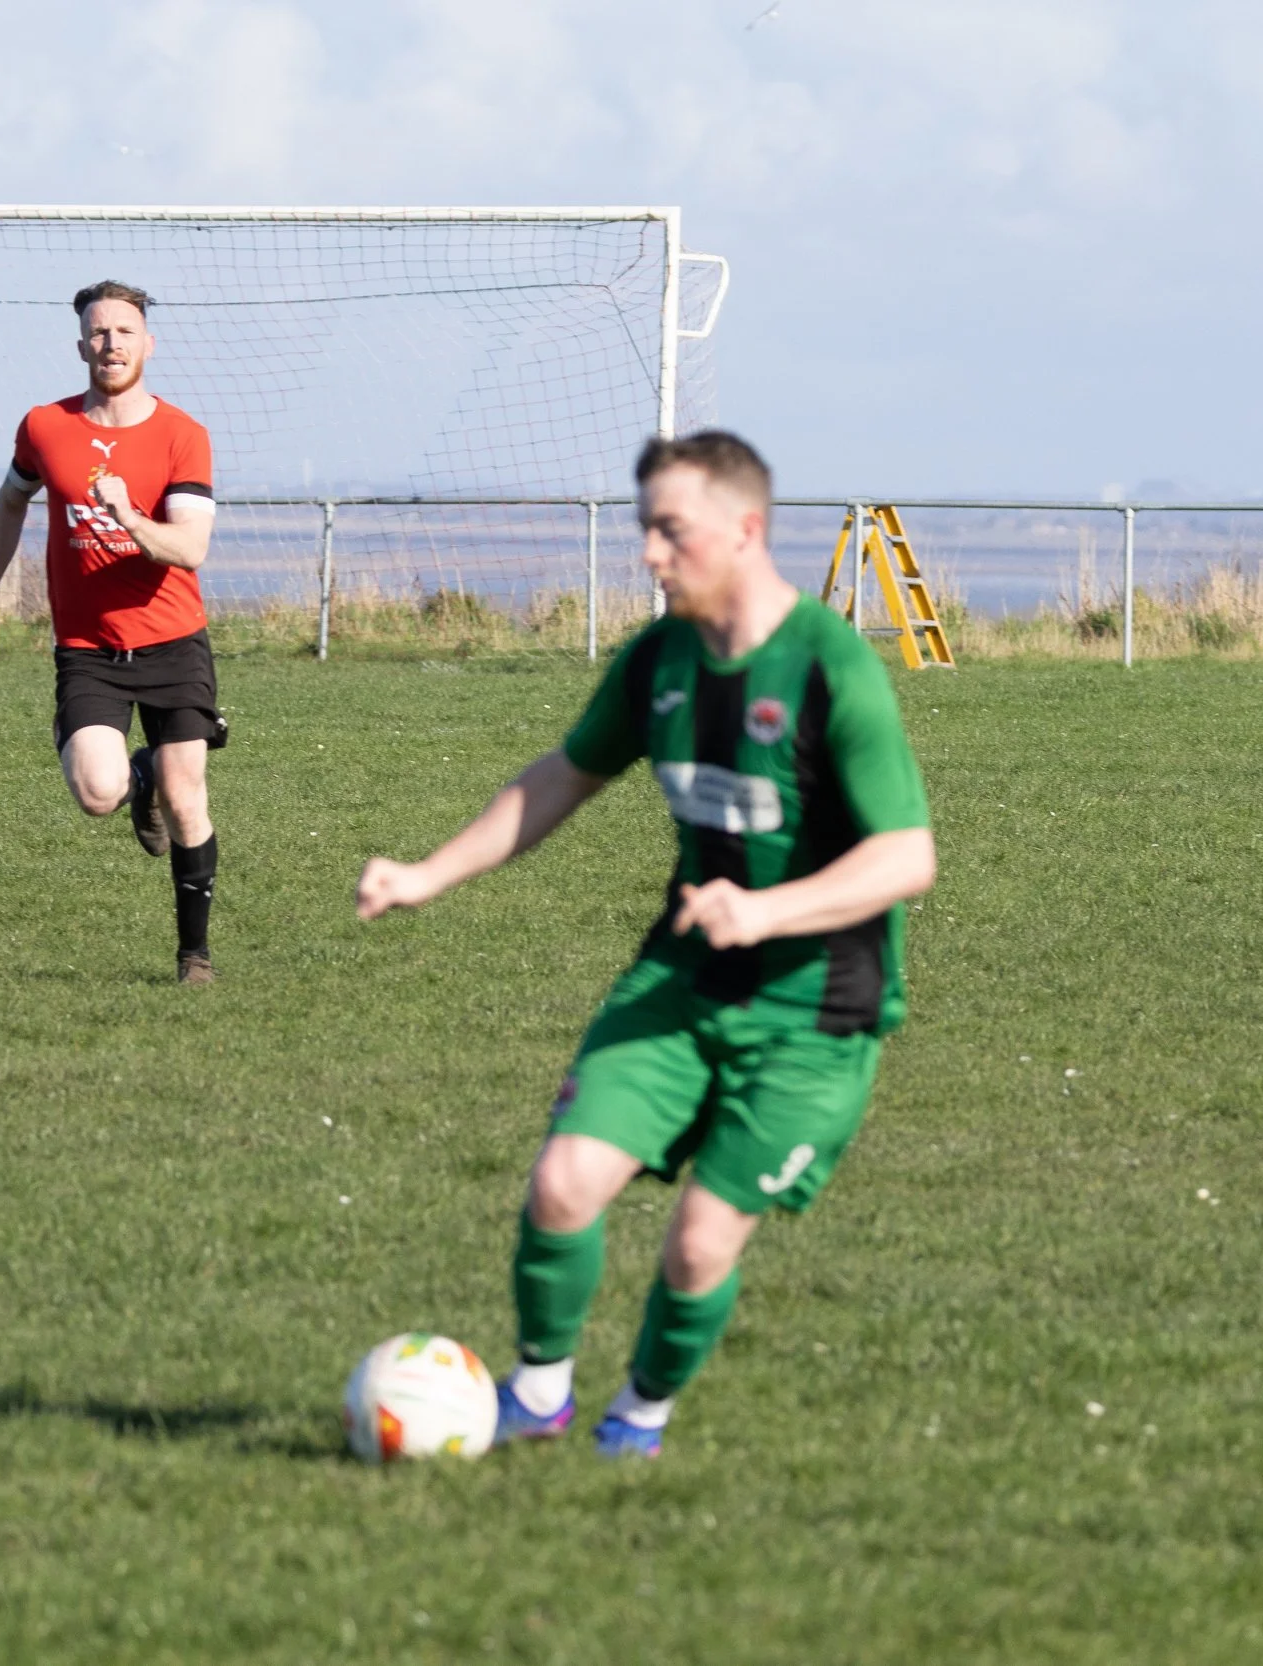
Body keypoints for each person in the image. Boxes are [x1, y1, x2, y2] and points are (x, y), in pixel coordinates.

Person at [357, 431, 937, 1458]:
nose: (649, 555)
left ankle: (642, 1414)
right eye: (644, 532)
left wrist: (765, 910)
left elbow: (904, 858)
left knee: (699, 1243)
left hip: (817, 1009)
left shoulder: (831, 668)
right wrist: (426, 872)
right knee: (563, 1181)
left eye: (670, 531)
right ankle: (538, 1392)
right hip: (682, 978)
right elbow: (561, 777)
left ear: (745, 530)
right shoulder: (658, 662)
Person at [0, 280, 224, 983]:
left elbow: (190, 549)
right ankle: (138, 775)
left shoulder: (182, 435)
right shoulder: (45, 426)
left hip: (173, 641)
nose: (111, 344)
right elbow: (11, 503)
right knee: (98, 794)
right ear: (82, 345)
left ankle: (193, 957)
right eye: (99, 333)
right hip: (88, 650)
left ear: (148, 344)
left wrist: (129, 519)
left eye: (124, 332)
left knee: (188, 795)